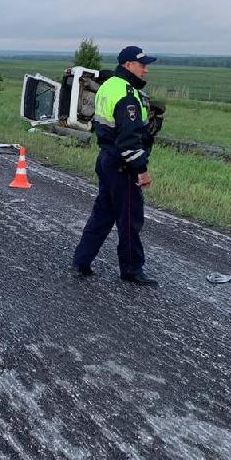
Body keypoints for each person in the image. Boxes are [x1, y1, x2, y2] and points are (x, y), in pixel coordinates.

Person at [72, 46, 158, 287]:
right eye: (142, 65)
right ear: (129, 65)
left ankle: (82, 260)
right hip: (122, 165)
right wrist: (141, 170)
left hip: (106, 159)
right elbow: (128, 139)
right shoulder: (126, 94)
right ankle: (131, 270)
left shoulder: (108, 86)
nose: (146, 69)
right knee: (130, 219)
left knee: (102, 214)